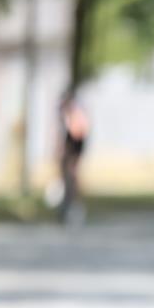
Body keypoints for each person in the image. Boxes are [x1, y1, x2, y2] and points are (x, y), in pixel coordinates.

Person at [59, 93, 90, 225]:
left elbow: (78, 135)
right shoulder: (67, 117)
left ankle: (74, 209)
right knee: (67, 180)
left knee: (73, 179)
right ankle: (66, 209)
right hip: (69, 152)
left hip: (74, 151)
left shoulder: (76, 116)